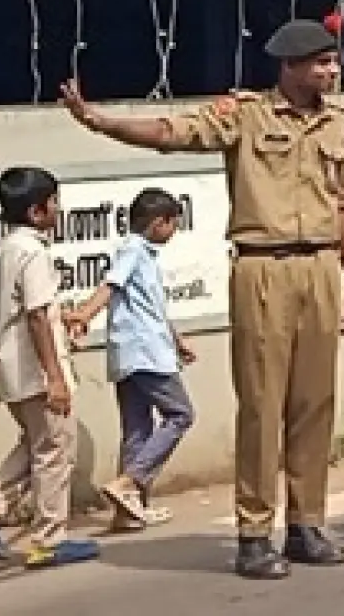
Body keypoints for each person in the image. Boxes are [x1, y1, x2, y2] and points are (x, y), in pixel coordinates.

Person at [59, 18, 344, 581]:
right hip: (262, 268)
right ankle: (253, 532)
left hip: (320, 266)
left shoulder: (340, 123)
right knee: (263, 407)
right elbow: (171, 132)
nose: (331, 72)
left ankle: (306, 524)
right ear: (290, 67)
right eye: (320, 64)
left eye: (333, 62)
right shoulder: (243, 116)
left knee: (314, 405)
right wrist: (99, 122)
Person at [0, 168, 99, 569]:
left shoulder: (2, 249)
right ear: (36, 211)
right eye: (54, 203)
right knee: (55, 449)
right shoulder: (32, 250)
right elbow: (34, 316)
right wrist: (55, 377)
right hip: (34, 369)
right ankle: (49, 537)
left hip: (9, 366)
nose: (58, 210)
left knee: (36, 444)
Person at [61, 189, 197, 532]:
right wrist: (84, 315)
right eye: (172, 223)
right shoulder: (134, 250)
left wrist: (178, 340)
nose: (175, 230)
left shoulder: (145, 256)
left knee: (137, 429)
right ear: (157, 223)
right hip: (145, 353)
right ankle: (131, 482)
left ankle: (127, 512)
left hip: (134, 352)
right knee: (181, 414)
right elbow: (111, 285)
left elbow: (152, 307)